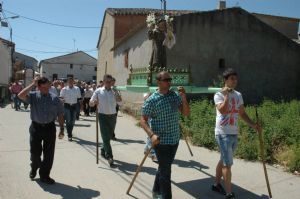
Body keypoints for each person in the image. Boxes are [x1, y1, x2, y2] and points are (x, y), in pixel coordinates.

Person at [212, 68, 261, 199]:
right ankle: (229, 194)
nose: (235, 81)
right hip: (222, 133)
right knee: (227, 164)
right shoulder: (218, 94)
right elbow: (222, 111)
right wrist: (227, 95)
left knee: (224, 159)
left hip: (233, 132)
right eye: (232, 79)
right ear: (225, 80)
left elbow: (242, 113)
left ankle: (216, 184)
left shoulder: (238, 95)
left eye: (235, 78)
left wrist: (253, 125)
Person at [140, 71, 190, 199]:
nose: (169, 82)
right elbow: (143, 120)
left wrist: (183, 98)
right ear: (158, 82)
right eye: (166, 80)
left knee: (163, 167)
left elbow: (185, 113)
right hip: (161, 141)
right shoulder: (152, 100)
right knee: (166, 172)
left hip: (174, 139)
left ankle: (156, 191)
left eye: (170, 79)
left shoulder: (174, 95)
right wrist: (151, 135)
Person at [18, 77, 64, 185]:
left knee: (49, 155)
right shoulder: (33, 96)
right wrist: (32, 84)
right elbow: (20, 95)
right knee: (35, 153)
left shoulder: (55, 98)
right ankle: (34, 167)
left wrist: (62, 128)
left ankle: (44, 175)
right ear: (38, 87)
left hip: (49, 128)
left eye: (47, 87)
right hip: (36, 128)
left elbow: (60, 114)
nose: (45, 89)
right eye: (42, 87)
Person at [89, 74, 122, 167]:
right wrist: (94, 102)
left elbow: (121, 103)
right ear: (103, 82)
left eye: (110, 82)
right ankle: (110, 156)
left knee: (109, 136)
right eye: (107, 82)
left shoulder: (114, 92)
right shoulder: (98, 91)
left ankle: (103, 150)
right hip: (102, 116)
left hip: (113, 116)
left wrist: (117, 95)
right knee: (105, 137)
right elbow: (91, 103)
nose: (109, 83)